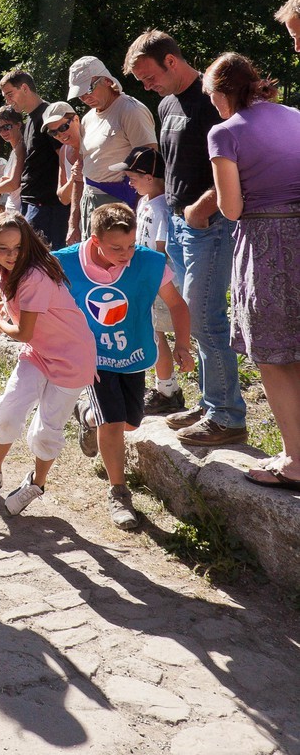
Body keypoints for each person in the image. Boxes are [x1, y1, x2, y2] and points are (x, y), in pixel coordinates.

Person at [124, 29, 247, 448]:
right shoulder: (166, 103)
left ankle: (228, 415)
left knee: (205, 316)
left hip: (208, 225)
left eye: (148, 75)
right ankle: (212, 404)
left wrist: (203, 208)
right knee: (193, 318)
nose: (145, 85)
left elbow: (237, 162)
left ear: (171, 61)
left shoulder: (212, 98)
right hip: (177, 224)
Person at [60, 202, 193, 530]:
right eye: (116, 247)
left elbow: (176, 304)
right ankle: (118, 493)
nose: (126, 253)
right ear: (95, 241)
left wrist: (183, 345)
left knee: (131, 423)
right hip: (93, 355)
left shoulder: (148, 264)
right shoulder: (65, 263)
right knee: (115, 423)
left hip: (133, 353)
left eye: (131, 244)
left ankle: (87, 415)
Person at [204, 51, 300, 489]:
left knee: (274, 357)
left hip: (268, 243)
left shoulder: (224, 133)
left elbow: (231, 206)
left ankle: (296, 463)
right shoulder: (295, 115)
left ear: (223, 94)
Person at [0, 213, 97, 515]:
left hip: (72, 359)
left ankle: (36, 485)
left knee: (45, 432)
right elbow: (26, 312)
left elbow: (23, 331)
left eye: (18, 248)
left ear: (27, 245)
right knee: (7, 411)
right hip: (39, 353)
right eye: (3, 248)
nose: (11, 255)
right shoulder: (5, 273)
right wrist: (3, 307)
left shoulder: (33, 275)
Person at [121, 145, 190, 415]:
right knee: (152, 333)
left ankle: (168, 391)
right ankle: (163, 386)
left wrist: (147, 279)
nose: (129, 182)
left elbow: (160, 247)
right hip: (145, 276)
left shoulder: (161, 207)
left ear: (149, 177)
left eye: (132, 177)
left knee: (156, 334)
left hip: (157, 281)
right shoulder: (144, 202)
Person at [66, 56, 156, 234]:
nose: (85, 97)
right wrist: (73, 223)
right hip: (89, 203)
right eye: (80, 94)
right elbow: (82, 169)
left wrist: (138, 209)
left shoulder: (130, 110)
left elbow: (150, 161)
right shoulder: (88, 118)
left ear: (107, 80)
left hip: (121, 204)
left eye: (88, 89)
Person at [0, 70, 68, 250]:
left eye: (10, 94)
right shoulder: (29, 121)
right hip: (31, 205)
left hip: (49, 207)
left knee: (48, 263)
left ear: (25, 88)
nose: (8, 101)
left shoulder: (49, 116)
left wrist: (63, 194)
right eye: (5, 97)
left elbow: (65, 156)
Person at [41, 102, 84, 245]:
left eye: (63, 127)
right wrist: (74, 178)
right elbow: (63, 198)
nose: (60, 135)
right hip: (78, 222)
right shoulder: (64, 152)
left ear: (76, 120)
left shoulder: (95, 143)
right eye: (53, 132)